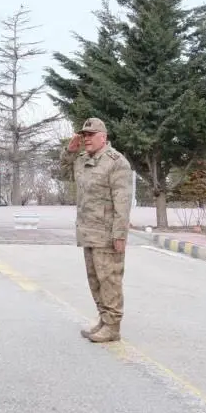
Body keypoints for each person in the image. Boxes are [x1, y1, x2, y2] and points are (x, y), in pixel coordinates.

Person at [60, 117, 133, 343]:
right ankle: (104, 319)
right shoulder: (82, 160)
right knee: (95, 280)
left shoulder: (116, 162)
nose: (86, 139)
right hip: (88, 232)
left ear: (103, 137)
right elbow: (63, 173)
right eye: (84, 135)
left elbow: (123, 202)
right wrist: (69, 152)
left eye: (91, 135)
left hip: (107, 234)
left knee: (109, 280)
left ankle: (113, 326)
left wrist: (120, 235)